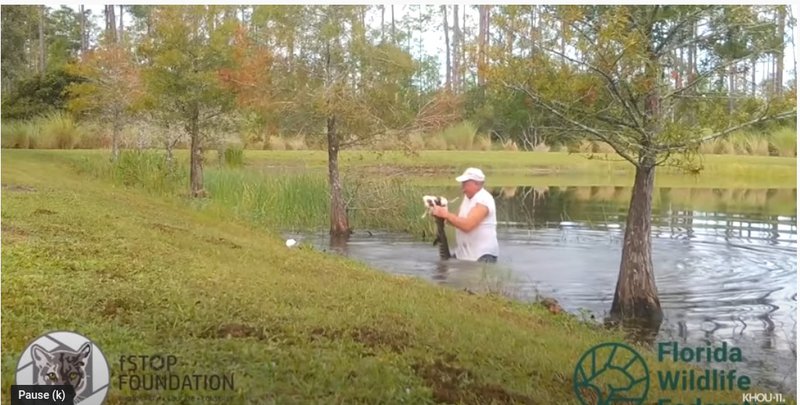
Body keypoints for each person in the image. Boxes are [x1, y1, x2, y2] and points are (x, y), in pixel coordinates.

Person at [431, 167, 499, 263]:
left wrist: (445, 214)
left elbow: (467, 225)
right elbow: (457, 221)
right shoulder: (468, 198)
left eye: (465, 184)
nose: (462, 187)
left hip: (482, 256)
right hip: (464, 255)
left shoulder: (484, 200)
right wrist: (440, 214)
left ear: (476, 184)